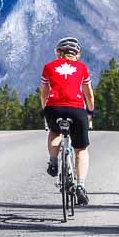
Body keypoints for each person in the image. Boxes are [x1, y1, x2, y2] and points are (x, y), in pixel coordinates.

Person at [40, 37, 94, 206]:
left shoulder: (48, 67)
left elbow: (43, 92)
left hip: (54, 108)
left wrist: (45, 110)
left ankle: (54, 160)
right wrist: (91, 111)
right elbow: (89, 94)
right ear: (76, 54)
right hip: (76, 110)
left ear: (58, 52)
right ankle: (80, 185)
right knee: (81, 149)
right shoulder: (82, 68)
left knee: (54, 132)